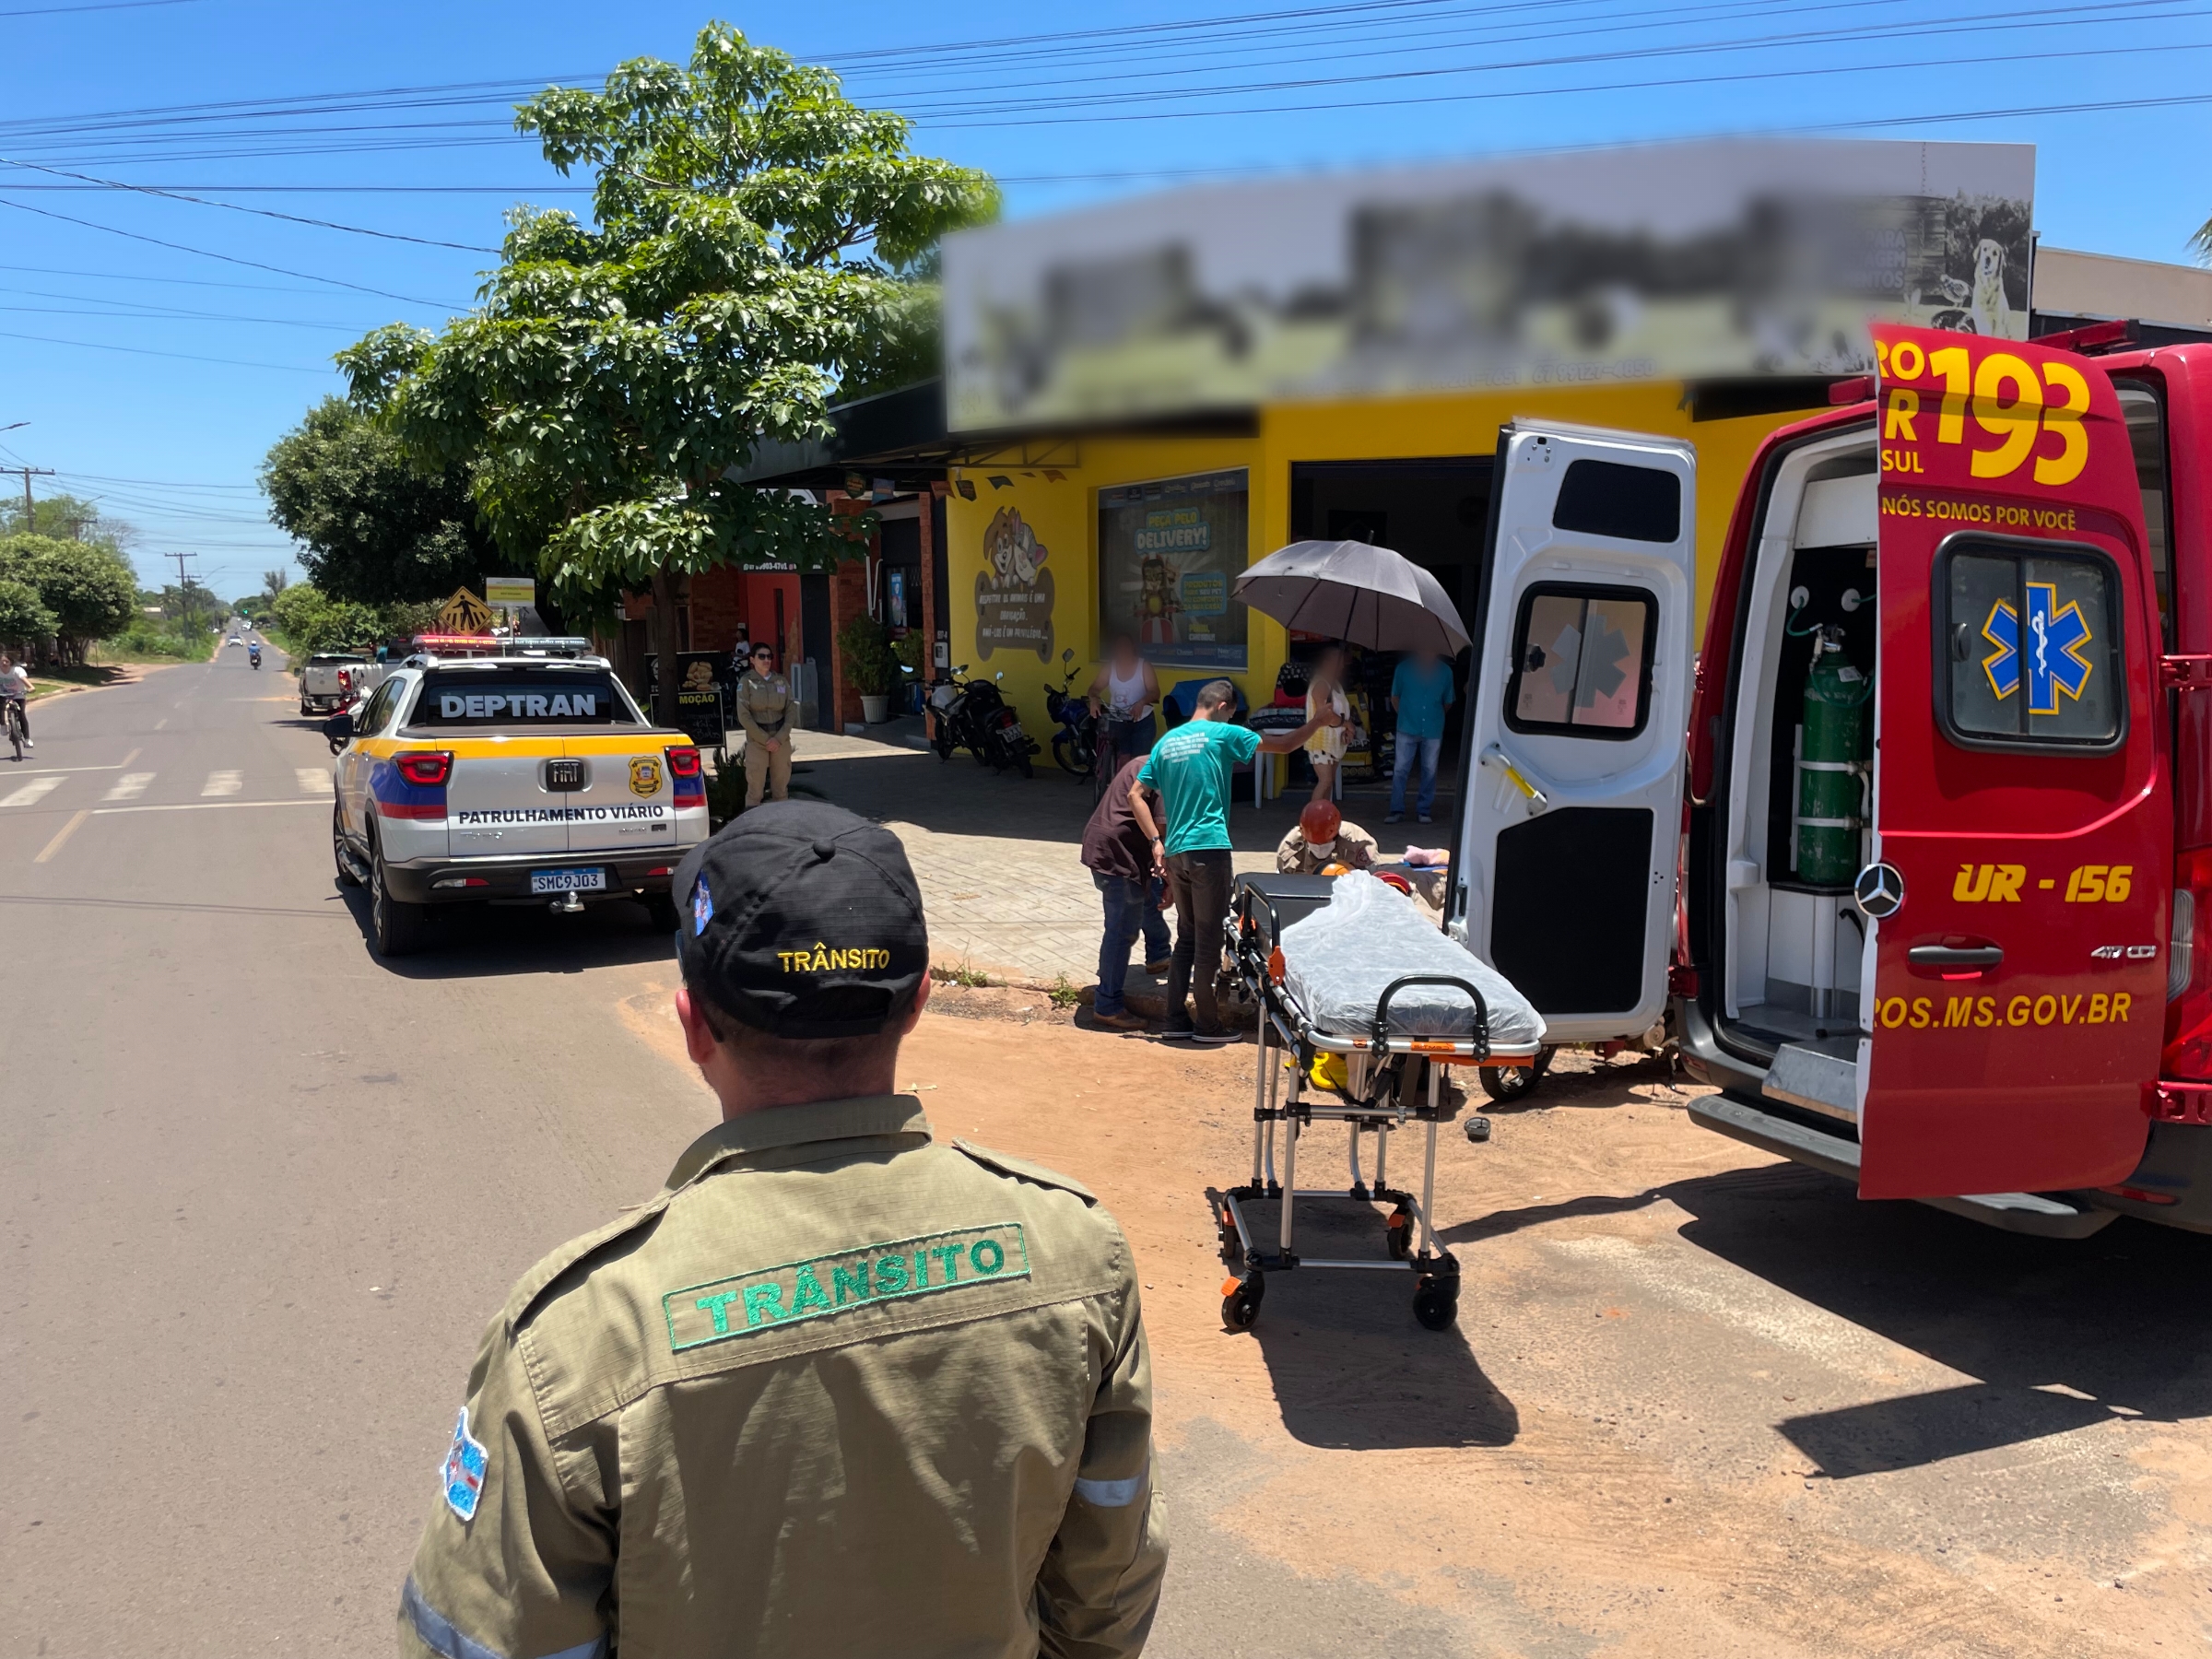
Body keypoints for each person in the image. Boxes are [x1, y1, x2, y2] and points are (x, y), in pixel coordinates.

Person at [397, 802, 1168, 1659]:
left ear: (692, 1026)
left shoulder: (577, 1340)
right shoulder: (1076, 1253)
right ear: (918, 1002)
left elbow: (482, 1639)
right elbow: (1109, 1578)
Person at [1130, 680, 1322, 1042]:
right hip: (1208, 849)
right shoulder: (1222, 733)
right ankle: (1207, 1026)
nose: (1234, 718)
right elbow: (1283, 745)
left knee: (1186, 938)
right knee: (1208, 940)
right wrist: (1319, 720)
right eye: (1233, 712)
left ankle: (1174, 1020)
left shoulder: (1167, 741)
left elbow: (1135, 794)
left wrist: (1155, 840)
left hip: (1176, 851)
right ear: (1221, 706)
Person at [1081, 754, 1175, 1030]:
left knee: (1145, 896)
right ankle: (1107, 1005)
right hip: (1117, 854)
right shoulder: (1167, 772)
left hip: (1110, 848)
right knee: (1121, 931)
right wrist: (1173, 874)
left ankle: (1158, 955)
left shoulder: (1147, 760)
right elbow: (1162, 830)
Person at [1387, 649, 1455, 824]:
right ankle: (1396, 809)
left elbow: (1448, 701)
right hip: (1406, 727)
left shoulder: (1446, 672)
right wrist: (1405, 715)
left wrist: (1434, 716)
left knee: (1430, 771)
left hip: (1432, 728)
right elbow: (1395, 697)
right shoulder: (1403, 669)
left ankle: (1424, 810)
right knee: (1401, 769)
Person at [1087, 632, 1161, 771]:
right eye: (1119, 646)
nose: (1123, 649)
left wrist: (1141, 702)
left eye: (1126, 645)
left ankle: (1139, 791)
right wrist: (1094, 698)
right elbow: (1094, 688)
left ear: (1133, 646)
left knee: (1139, 762)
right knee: (1123, 760)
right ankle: (1122, 790)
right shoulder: (1110, 667)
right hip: (1118, 720)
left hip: (1142, 721)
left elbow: (1155, 691)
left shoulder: (1143, 666)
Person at [734, 641, 794, 808]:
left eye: (769, 656)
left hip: (780, 740)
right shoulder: (746, 682)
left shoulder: (780, 681)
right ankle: (753, 828)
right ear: (752, 659)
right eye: (762, 656)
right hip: (758, 741)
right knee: (755, 790)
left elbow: (791, 710)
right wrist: (765, 739)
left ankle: (780, 826)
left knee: (781, 790)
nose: (766, 660)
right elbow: (744, 715)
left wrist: (779, 738)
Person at [1276, 797, 1379, 877]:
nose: (1319, 847)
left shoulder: (1359, 843)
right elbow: (1283, 884)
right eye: (1314, 843)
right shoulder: (1290, 849)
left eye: (1324, 843)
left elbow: (1373, 880)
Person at [1301, 646, 1350, 805]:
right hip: (1320, 742)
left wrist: (1346, 729)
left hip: (1334, 743)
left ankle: (1323, 820)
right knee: (1325, 781)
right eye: (1338, 662)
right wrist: (1347, 724)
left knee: (1329, 784)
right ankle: (1311, 819)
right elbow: (1325, 716)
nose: (1341, 666)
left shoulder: (1336, 684)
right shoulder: (1320, 684)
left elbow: (1340, 712)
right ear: (1326, 663)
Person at [0, 653, 31, 750]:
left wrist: (30, 687)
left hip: (18, 694)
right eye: (2, 662)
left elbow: (24, 680)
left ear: (11, 662)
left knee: (21, 714)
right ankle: (3, 724)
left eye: (7, 661)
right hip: (2, 694)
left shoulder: (17, 670)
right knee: (0, 709)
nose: (4, 663)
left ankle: (27, 739)